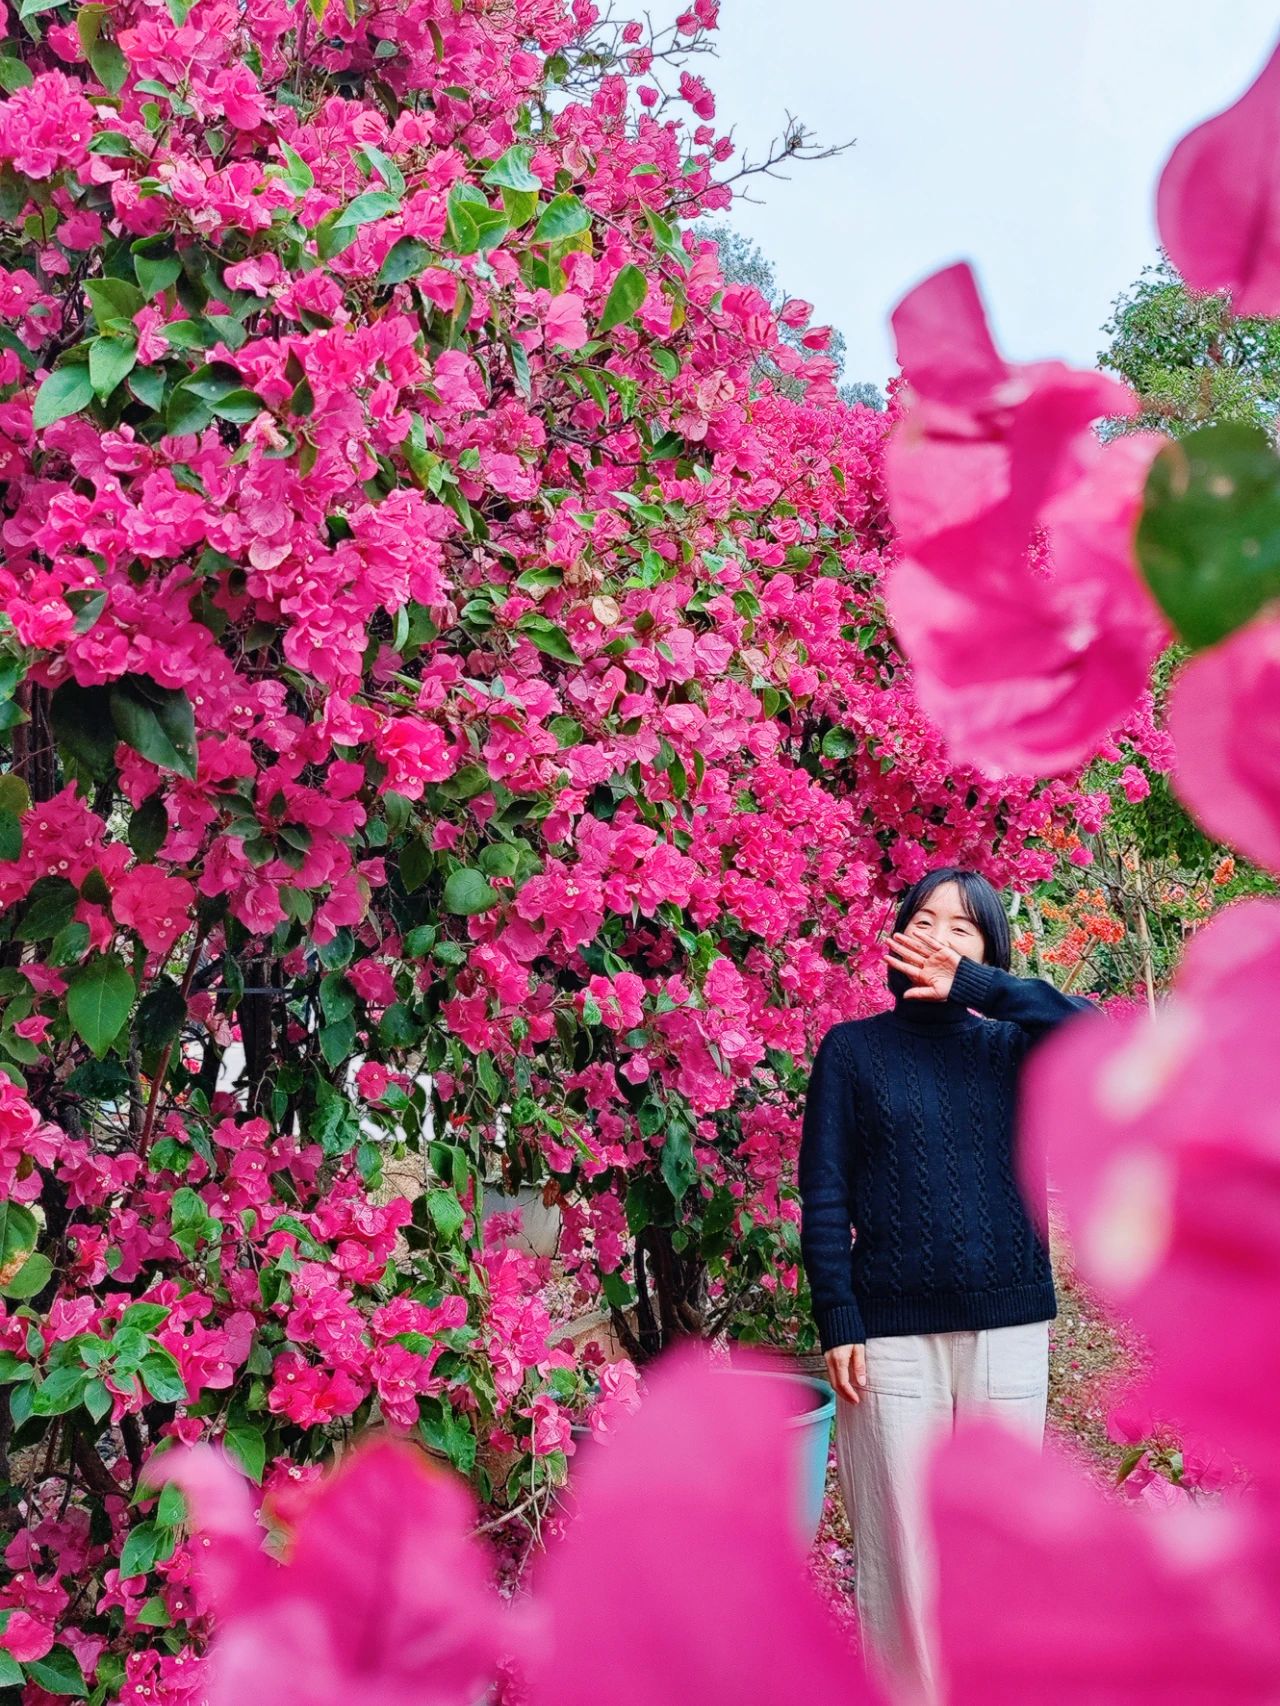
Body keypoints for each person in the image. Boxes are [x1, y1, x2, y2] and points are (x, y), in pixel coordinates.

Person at [797, 867, 1095, 1705]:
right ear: (896, 936)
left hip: (1006, 1324)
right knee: (903, 1555)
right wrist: (838, 1317)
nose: (938, 935)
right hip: (888, 1337)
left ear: (988, 950)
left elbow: (1100, 1034)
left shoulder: (1016, 1046)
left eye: (962, 928)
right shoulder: (852, 1052)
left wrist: (984, 990)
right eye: (925, 919)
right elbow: (824, 1193)